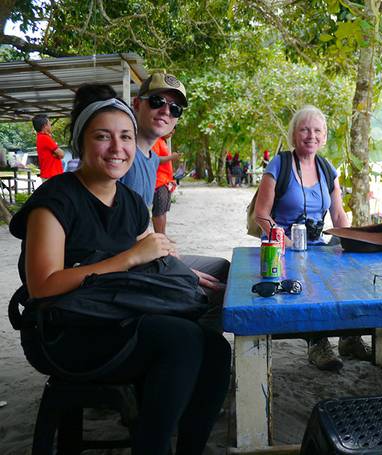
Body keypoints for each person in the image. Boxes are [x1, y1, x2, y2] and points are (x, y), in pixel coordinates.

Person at [10, 84, 231, 454]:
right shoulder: (56, 201)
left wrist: (183, 272)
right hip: (65, 332)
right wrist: (126, 259)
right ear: (81, 143)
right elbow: (43, 286)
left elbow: (155, 251)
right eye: (102, 137)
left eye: (125, 136)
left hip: (116, 314)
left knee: (215, 349)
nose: (117, 148)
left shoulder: (127, 200)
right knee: (180, 340)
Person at [253, 105, 368, 372]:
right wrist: (288, 243)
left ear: (324, 137)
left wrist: (349, 241)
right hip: (282, 247)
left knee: (349, 274)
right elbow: (261, 215)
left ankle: (350, 337)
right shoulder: (279, 165)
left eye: (317, 130)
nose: (311, 135)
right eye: (304, 129)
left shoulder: (327, 169)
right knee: (309, 282)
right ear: (294, 135)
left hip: (318, 245)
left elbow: (338, 215)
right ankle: (318, 344)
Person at [121, 72, 229, 322]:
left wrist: (168, 251)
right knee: (214, 291)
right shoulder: (123, 157)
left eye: (175, 109)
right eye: (157, 101)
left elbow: (139, 223)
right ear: (137, 105)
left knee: (222, 269)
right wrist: (175, 267)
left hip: (146, 255)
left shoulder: (150, 159)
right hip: (128, 265)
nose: (165, 112)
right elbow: (121, 234)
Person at [151, 129, 179, 234]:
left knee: (164, 210)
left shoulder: (163, 142)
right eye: (170, 130)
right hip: (159, 181)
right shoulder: (156, 141)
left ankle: (163, 235)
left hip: (166, 181)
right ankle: (159, 236)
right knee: (159, 211)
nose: (172, 132)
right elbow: (155, 159)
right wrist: (172, 157)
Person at [32, 114, 65, 179]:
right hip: (52, 175)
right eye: (49, 124)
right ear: (45, 126)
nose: (50, 126)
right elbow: (62, 154)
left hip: (49, 175)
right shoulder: (45, 138)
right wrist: (57, 154)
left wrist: (56, 154)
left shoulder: (41, 137)